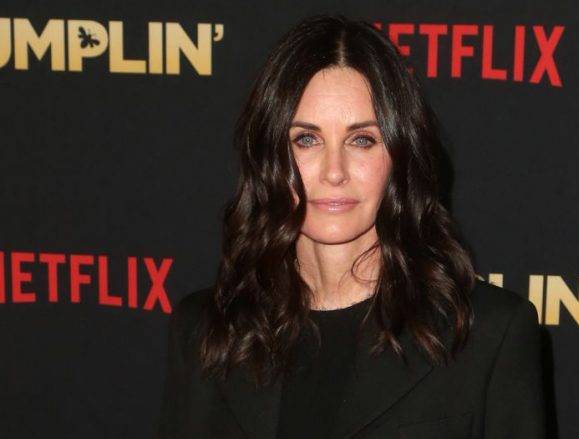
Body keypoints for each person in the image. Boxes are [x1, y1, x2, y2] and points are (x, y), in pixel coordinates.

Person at [155, 13, 545, 439]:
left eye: (362, 140)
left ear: (399, 155)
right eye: (306, 139)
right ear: (269, 158)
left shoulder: (487, 335)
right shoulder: (205, 331)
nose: (334, 171)